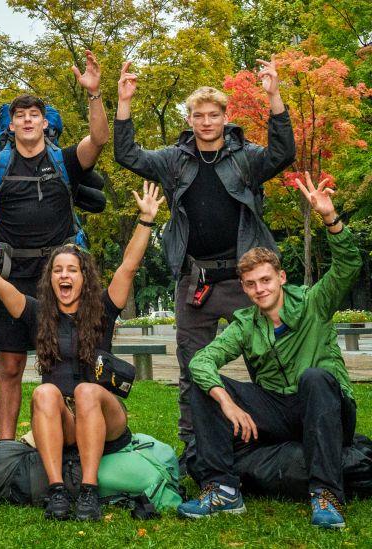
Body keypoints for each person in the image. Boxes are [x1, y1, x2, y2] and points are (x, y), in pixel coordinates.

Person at [0, 181, 164, 521]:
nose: (64, 275)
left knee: (86, 391)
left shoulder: (102, 307)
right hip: (64, 420)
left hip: (104, 417)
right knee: (43, 392)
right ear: (50, 279)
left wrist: (145, 221)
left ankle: (88, 492)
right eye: (58, 270)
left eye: (72, 270)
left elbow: (128, 266)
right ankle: (57, 492)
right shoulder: (38, 313)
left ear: (85, 278)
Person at [113, 58, 295, 468]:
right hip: (195, 280)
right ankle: (195, 447)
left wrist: (274, 96)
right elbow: (127, 154)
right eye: (199, 115)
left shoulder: (245, 157)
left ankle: (274, 437)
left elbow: (284, 152)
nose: (206, 122)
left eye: (214, 115)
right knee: (192, 367)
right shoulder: (174, 160)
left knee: (267, 361)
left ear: (225, 118)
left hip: (245, 280)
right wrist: (124, 102)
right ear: (190, 119)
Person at [178, 173, 360, 530]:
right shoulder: (246, 323)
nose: (259, 289)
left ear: (281, 277)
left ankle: (325, 495)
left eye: (265, 280)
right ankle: (223, 488)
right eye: (250, 284)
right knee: (204, 381)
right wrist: (226, 401)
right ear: (244, 289)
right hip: (277, 409)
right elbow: (202, 360)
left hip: (325, 404)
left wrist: (330, 218)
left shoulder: (313, 302)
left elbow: (349, 266)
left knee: (314, 377)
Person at [0, 53, 111, 442]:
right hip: (13, 276)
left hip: (62, 277)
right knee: (9, 365)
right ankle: (5, 445)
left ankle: (67, 439)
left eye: (34, 114)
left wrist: (94, 95)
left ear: (45, 123)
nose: (27, 119)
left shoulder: (64, 161)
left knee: (62, 363)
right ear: (11, 124)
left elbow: (98, 140)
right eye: (20, 115)